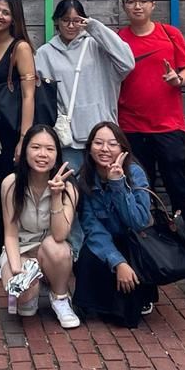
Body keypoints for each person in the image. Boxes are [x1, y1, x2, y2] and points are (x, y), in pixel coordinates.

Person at [116, 0, 185, 219]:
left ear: (153, 4)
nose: (137, 6)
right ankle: (148, 239)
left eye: (142, 1)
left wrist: (178, 79)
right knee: (140, 185)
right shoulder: (118, 39)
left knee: (178, 184)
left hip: (168, 125)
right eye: (131, 1)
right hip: (131, 126)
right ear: (124, 6)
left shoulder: (169, 34)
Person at [35, 0, 135, 173]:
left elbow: (127, 63)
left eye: (76, 21)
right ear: (57, 21)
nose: (71, 26)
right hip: (67, 139)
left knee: (104, 188)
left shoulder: (97, 46)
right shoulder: (45, 53)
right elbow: (42, 96)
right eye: (65, 20)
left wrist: (94, 27)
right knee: (72, 190)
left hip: (102, 138)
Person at [72, 122, 156, 327]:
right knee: (88, 254)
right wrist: (117, 262)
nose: (105, 149)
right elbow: (92, 228)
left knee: (125, 317)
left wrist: (118, 184)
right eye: (98, 143)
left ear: (122, 149)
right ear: (90, 148)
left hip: (134, 242)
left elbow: (138, 222)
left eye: (112, 144)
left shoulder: (135, 173)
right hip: (106, 244)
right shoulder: (84, 178)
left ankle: (141, 295)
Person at [0, 125, 80, 329]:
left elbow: (61, 234)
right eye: (35, 147)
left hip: (50, 249)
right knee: (24, 301)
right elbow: (10, 234)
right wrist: (17, 270)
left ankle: (60, 296)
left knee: (58, 248)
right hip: (21, 249)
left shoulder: (68, 188)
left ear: (57, 154)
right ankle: (34, 289)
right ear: (25, 150)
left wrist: (55, 196)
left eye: (50, 149)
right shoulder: (11, 184)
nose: (42, 154)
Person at [0, 0, 37, 282]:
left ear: (14, 18)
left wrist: (24, 138)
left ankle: (6, 251)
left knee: (6, 192)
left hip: (10, 130)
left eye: (5, 12)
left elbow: (29, 95)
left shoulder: (21, 48)